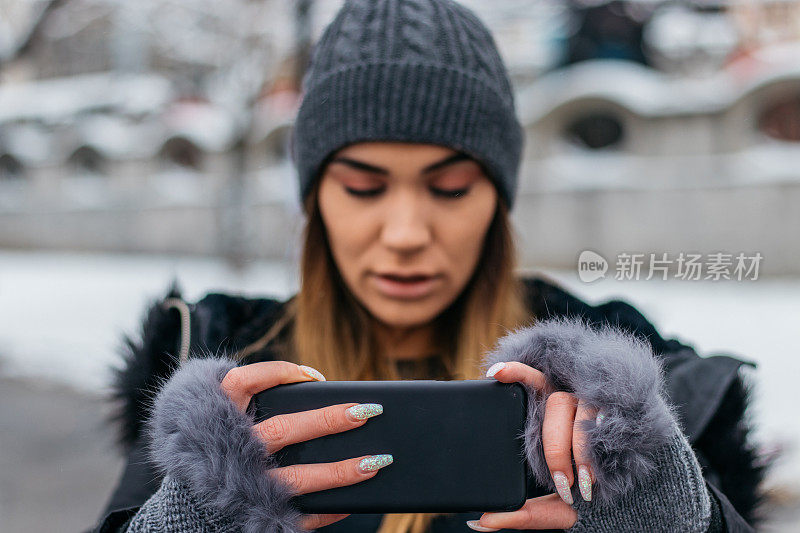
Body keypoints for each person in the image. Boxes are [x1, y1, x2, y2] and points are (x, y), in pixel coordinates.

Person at [92, 0, 763, 531]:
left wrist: (674, 513)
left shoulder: (613, 387)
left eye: (449, 188)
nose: (408, 232)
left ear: (498, 199)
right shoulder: (215, 365)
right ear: (315, 197)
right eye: (362, 186)